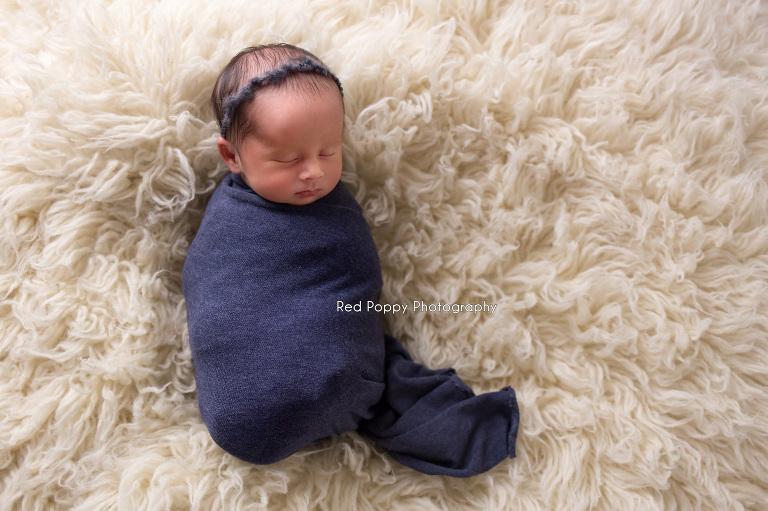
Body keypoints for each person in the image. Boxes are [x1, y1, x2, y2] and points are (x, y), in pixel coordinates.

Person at [182, 43, 519, 478]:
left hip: (318, 393)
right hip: (246, 419)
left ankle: (338, 394)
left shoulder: (316, 198)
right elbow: (212, 282)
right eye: (288, 159)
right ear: (232, 156)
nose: (314, 172)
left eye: (329, 151)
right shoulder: (232, 223)